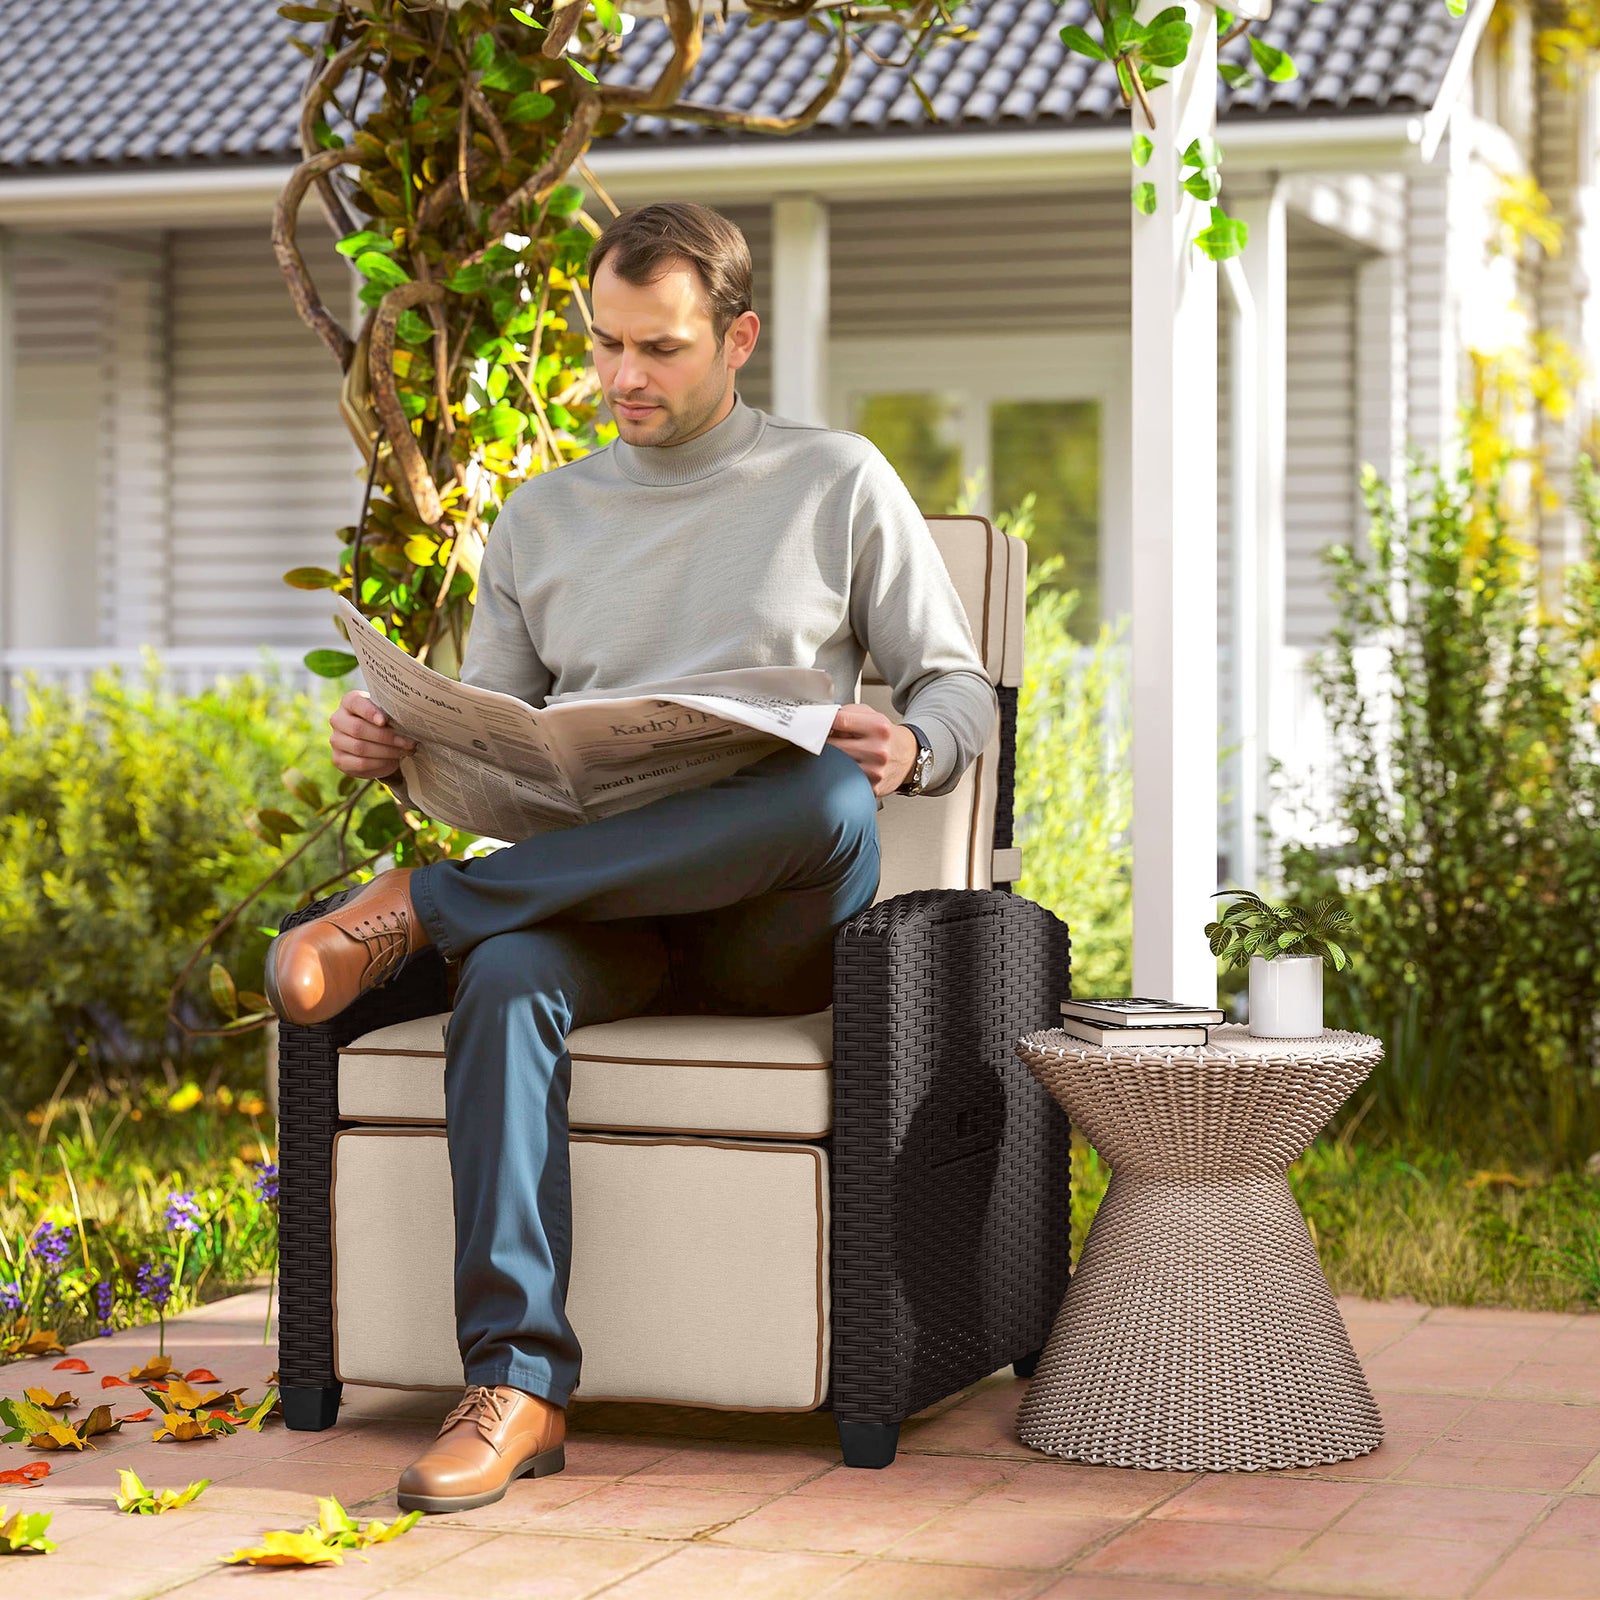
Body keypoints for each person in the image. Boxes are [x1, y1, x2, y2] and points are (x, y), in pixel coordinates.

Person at [264, 201, 997, 1514]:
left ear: (738, 339)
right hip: (603, 909)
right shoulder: (542, 518)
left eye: (659, 348)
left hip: (773, 927)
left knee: (826, 795)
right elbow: (496, 732)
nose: (622, 377)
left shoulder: (836, 482)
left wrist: (915, 745)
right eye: (606, 345)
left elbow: (959, 687)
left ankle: (427, 907)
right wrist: (398, 742)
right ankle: (518, 1386)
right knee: (504, 984)